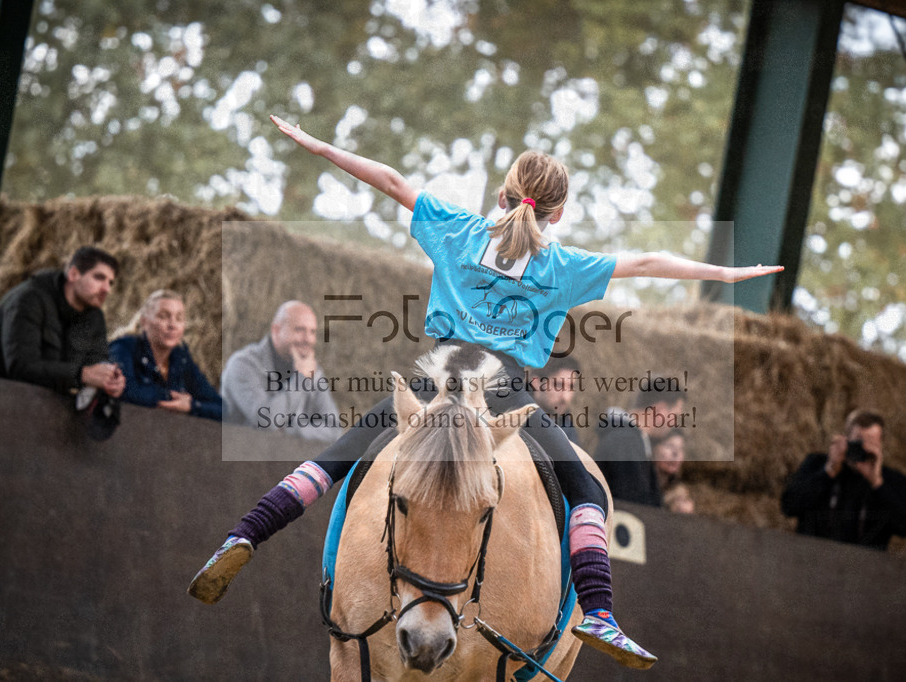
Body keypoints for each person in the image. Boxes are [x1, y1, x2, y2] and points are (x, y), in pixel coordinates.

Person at [188, 113, 782, 670]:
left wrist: (319, 147)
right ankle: (599, 613)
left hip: (434, 381)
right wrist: (728, 274)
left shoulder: (457, 229)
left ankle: (245, 534)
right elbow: (650, 261)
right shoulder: (562, 264)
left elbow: (391, 180)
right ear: (557, 213)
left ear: (502, 194)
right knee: (584, 488)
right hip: (500, 393)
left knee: (334, 459)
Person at [0, 246, 125, 399]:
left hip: (35, 408)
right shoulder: (28, 299)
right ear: (74, 274)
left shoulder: (94, 317)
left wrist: (110, 380)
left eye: (110, 282)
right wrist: (82, 374)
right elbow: (21, 367)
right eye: (99, 278)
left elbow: (96, 363)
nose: (107, 289)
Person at [780, 409, 906, 550]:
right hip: (814, 559)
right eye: (857, 444)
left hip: (866, 567)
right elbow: (789, 506)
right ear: (845, 440)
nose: (863, 450)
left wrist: (877, 483)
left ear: (881, 446)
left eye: (870, 444)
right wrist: (829, 471)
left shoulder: (894, 481)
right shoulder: (816, 464)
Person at [220, 301, 341, 445]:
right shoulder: (242, 365)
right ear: (276, 330)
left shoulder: (312, 369)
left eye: (312, 332)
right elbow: (266, 422)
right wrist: (301, 379)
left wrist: (290, 430)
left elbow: (335, 430)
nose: (307, 339)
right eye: (299, 330)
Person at [109, 289, 227, 421]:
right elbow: (124, 390)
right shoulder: (124, 347)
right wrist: (171, 397)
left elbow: (222, 409)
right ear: (144, 322)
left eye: (179, 318)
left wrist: (191, 405)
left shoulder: (181, 358)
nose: (172, 325)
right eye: (163, 316)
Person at [595, 388, 688, 507]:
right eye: (674, 416)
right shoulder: (625, 441)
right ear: (661, 410)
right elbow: (631, 502)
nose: (674, 424)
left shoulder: (634, 440)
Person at [528, 355, 582, 444]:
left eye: (571, 387)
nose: (565, 397)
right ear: (536, 382)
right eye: (558, 385)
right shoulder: (513, 421)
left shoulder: (568, 430)